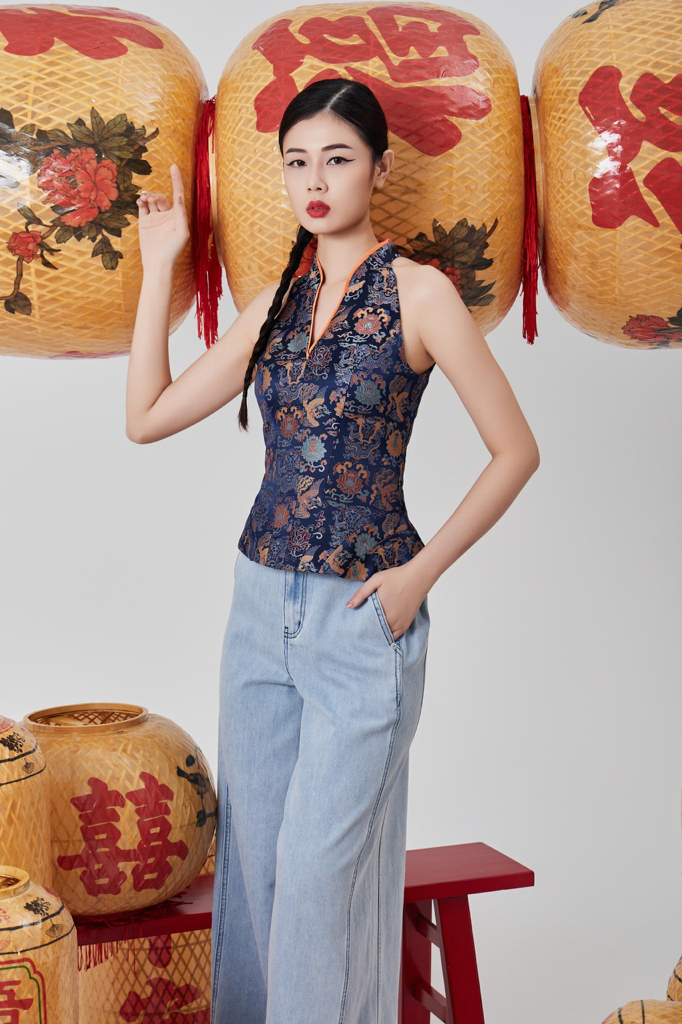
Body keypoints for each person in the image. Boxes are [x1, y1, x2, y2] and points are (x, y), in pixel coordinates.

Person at [126, 78, 539, 1024]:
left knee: (317, 877)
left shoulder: (422, 294)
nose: (315, 181)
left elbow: (516, 451)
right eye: (297, 162)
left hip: (361, 619)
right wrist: (160, 267)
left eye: (338, 159)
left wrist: (418, 577)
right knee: (256, 874)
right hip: (258, 608)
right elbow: (146, 418)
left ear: (380, 169)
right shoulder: (275, 302)